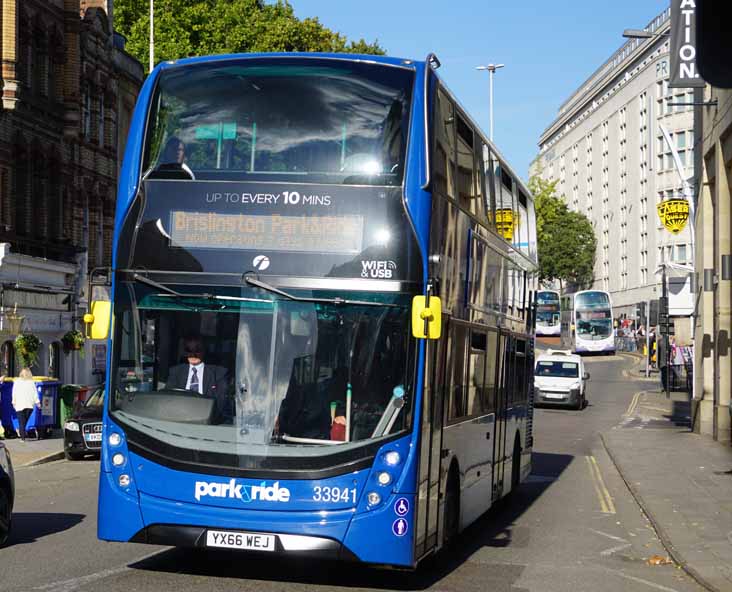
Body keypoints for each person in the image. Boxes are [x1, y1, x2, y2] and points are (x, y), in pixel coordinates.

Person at [166, 337, 230, 421]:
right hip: (179, 420)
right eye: (189, 350)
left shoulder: (218, 374)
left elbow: (220, 405)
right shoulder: (176, 372)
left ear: (204, 351)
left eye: (197, 350)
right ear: (184, 352)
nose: (193, 354)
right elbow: (168, 400)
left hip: (206, 424)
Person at [12, 368, 39, 441]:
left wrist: (14, 402)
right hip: (27, 405)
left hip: (23, 405)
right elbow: (35, 393)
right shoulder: (21, 382)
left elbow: (14, 392)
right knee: (23, 422)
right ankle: (22, 437)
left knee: (22, 422)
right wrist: (37, 402)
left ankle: (21, 432)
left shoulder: (29, 382)